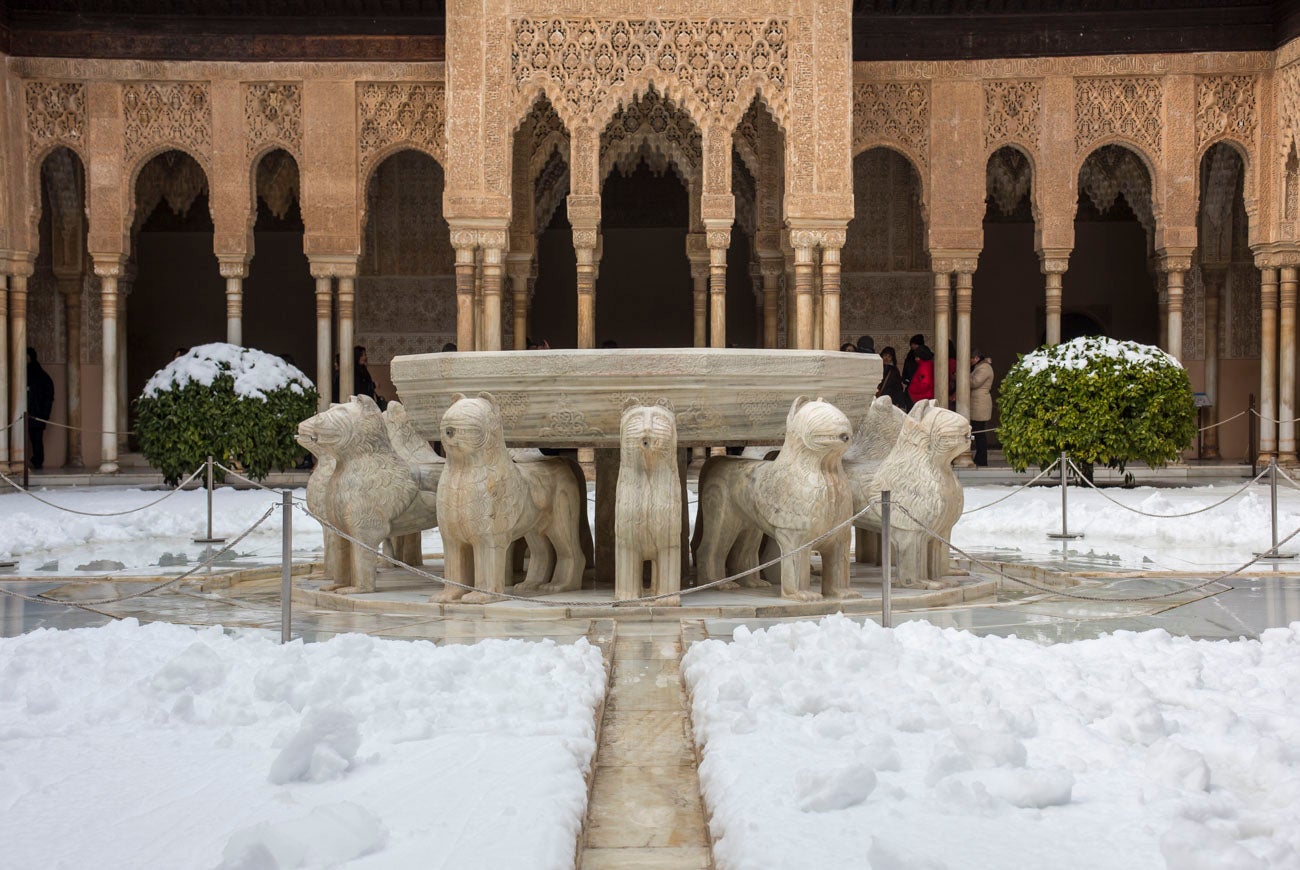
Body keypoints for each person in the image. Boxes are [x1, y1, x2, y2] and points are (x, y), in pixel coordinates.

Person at [26, 347, 54, 470]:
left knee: (36, 439)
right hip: (32, 413)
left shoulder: (40, 376)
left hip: (35, 414)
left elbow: (48, 397)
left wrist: (43, 415)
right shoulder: (38, 375)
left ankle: (37, 461)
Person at [970, 349, 994, 467]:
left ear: (976, 358)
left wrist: (962, 376)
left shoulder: (984, 368)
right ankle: (979, 458)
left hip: (980, 403)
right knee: (978, 431)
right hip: (977, 402)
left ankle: (982, 459)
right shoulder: (980, 367)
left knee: (979, 432)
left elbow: (975, 382)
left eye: (971, 358)